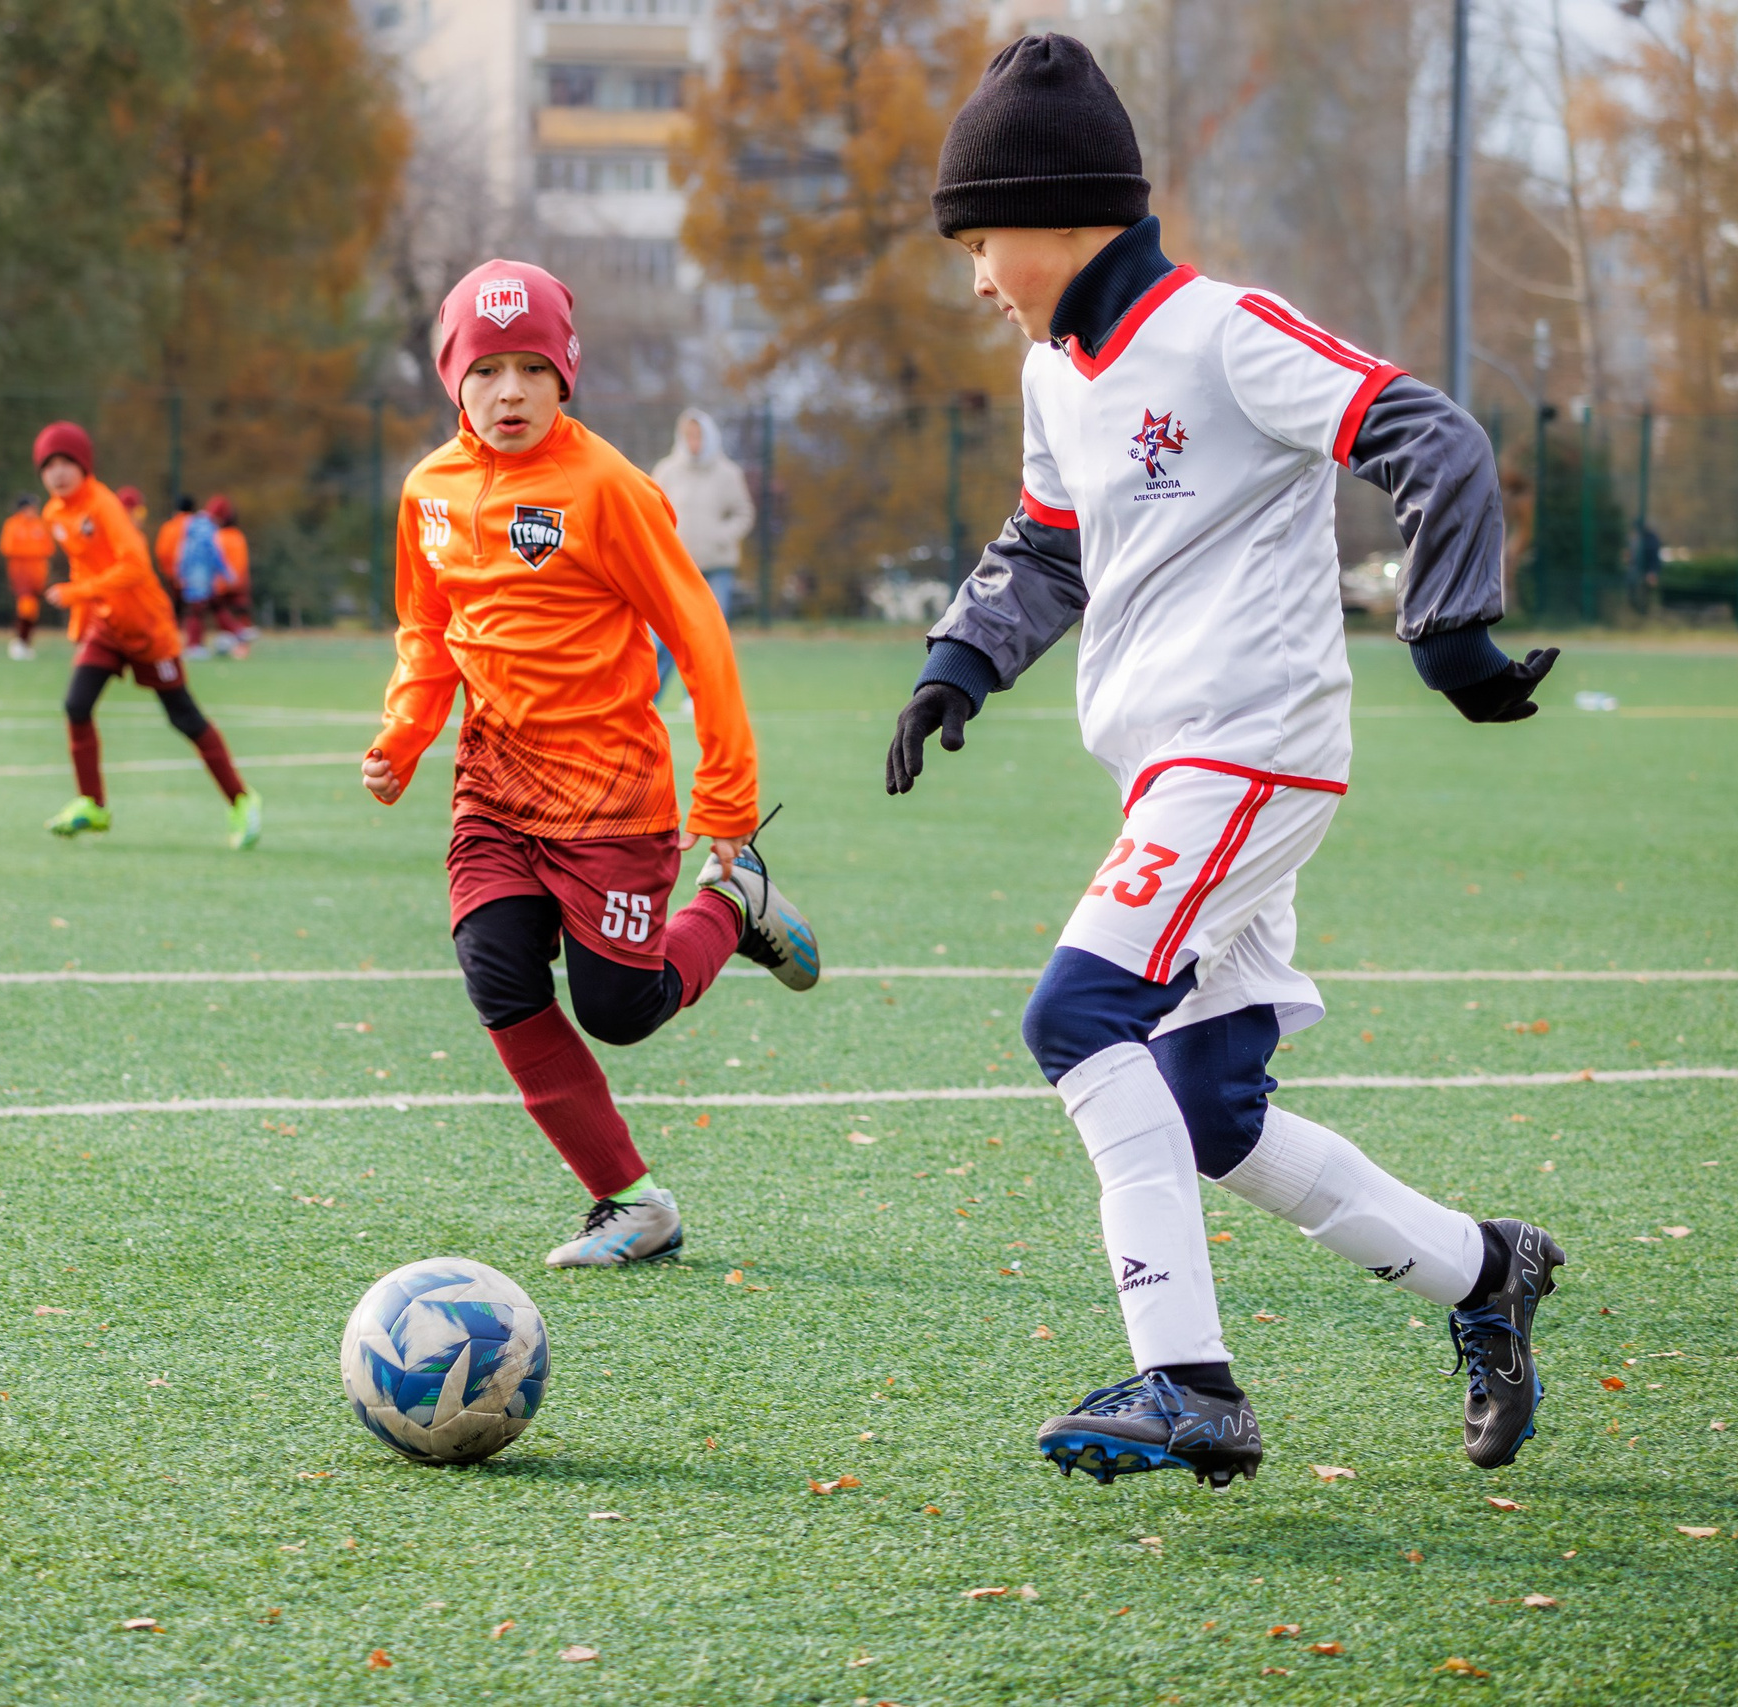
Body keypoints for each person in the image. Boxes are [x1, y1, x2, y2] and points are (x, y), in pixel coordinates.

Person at [888, 34, 1565, 1490]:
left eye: (980, 240)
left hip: (1247, 749)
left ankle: (1189, 1381)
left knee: (1075, 1016)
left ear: (1059, 215)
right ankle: (1483, 1270)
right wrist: (961, 660)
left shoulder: (1222, 329)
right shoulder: (1054, 375)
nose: (977, 274)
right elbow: (1048, 544)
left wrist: (1447, 633)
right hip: (1177, 771)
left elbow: (1428, 437)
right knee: (1207, 1109)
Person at [365, 258, 822, 1269]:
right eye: (486, 371)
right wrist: (404, 734)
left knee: (618, 1010)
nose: (510, 391)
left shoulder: (612, 489)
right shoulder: (428, 492)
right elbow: (425, 628)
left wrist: (727, 801)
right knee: (495, 972)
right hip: (492, 786)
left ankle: (733, 907)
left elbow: (699, 637)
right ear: (454, 379)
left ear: (565, 375)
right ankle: (630, 1202)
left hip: (609, 796)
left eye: (533, 367)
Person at [34, 420, 262, 849]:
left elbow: (135, 565)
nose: (58, 472)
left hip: (147, 629)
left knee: (184, 718)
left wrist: (78, 593)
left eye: (67, 462)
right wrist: (80, 621)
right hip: (107, 626)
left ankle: (242, 800)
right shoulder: (55, 514)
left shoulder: (103, 506)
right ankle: (92, 804)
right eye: (49, 465)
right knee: (75, 705)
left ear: (84, 466)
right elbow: (85, 563)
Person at [647, 408, 754, 701]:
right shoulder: (666, 470)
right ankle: (649, 697)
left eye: (698, 435)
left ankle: (699, 699)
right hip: (678, 568)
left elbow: (743, 513)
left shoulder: (728, 473)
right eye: (688, 435)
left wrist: (722, 536)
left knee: (710, 636)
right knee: (667, 636)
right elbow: (652, 512)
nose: (693, 441)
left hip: (717, 567)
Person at [0, 495, 55, 659]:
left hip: (38, 574)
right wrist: (32, 552)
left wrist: (33, 552)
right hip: (20, 572)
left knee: (33, 610)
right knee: (26, 606)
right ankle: (19, 641)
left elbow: (48, 548)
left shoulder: (40, 524)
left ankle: (25, 642)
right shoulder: (12, 524)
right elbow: (7, 548)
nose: (34, 511)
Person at [173, 500, 228, 655]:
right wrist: (226, 572)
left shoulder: (193, 524)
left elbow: (183, 550)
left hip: (191, 574)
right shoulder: (206, 528)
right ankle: (193, 645)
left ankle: (194, 644)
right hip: (200, 575)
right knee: (197, 610)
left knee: (196, 610)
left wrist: (180, 570)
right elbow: (214, 553)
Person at [207, 495, 256, 658]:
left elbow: (228, 565)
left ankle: (239, 646)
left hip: (227, 585)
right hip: (237, 584)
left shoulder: (221, 537)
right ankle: (238, 646)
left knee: (229, 614)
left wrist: (219, 585)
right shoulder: (236, 536)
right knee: (238, 615)